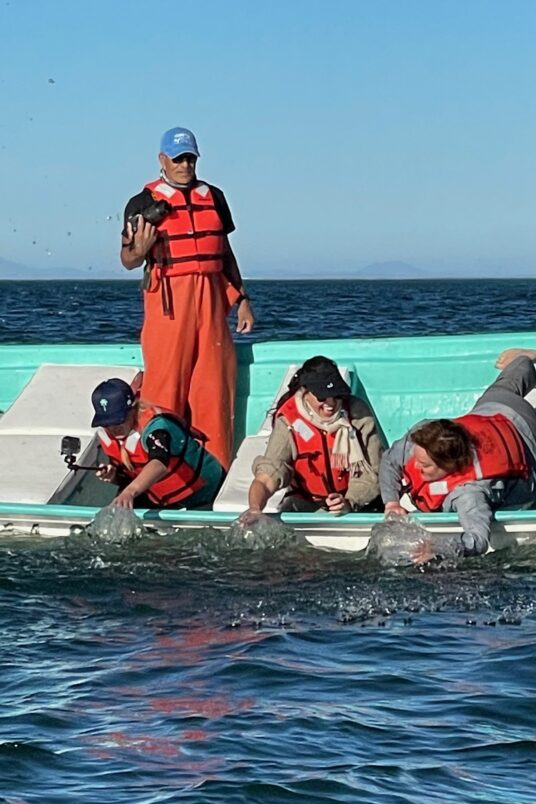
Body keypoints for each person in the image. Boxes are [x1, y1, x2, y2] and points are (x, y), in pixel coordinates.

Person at [120, 127, 255, 471]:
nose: (185, 164)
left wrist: (241, 298)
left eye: (190, 158)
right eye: (178, 158)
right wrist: (142, 247)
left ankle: (214, 471)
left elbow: (224, 252)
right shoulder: (142, 203)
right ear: (162, 159)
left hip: (211, 301)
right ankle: (157, 469)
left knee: (213, 387)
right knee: (165, 388)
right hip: (168, 302)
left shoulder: (215, 197)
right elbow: (128, 259)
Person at [378, 349, 536, 561]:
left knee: (512, 394)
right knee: (506, 384)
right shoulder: (423, 438)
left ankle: (526, 361)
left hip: (527, 433)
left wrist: (439, 548)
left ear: (448, 466)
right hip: (496, 408)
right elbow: (390, 460)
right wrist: (391, 502)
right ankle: (525, 358)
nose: (416, 468)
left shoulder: (469, 494)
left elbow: (478, 539)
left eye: (425, 465)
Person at [238, 356, 385, 521]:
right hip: (305, 504)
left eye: (336, 395)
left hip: (357, 504)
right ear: (305, 392)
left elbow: (374, 472)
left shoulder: (359, 416)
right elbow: (267, 476)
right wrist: (255, 508)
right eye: (322, 397)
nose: (331, 404)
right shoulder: (288, 422)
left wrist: (349, 502)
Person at [90, 378, 226, 510]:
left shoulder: (157, 428)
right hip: (163, 500)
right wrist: (114, 475)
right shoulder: (110, 437)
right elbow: (129, 476)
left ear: (133, 409)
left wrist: (130, 491)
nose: (114, 428)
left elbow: (159, 463)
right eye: (107, 423)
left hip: (205, 493)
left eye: (119, 420)